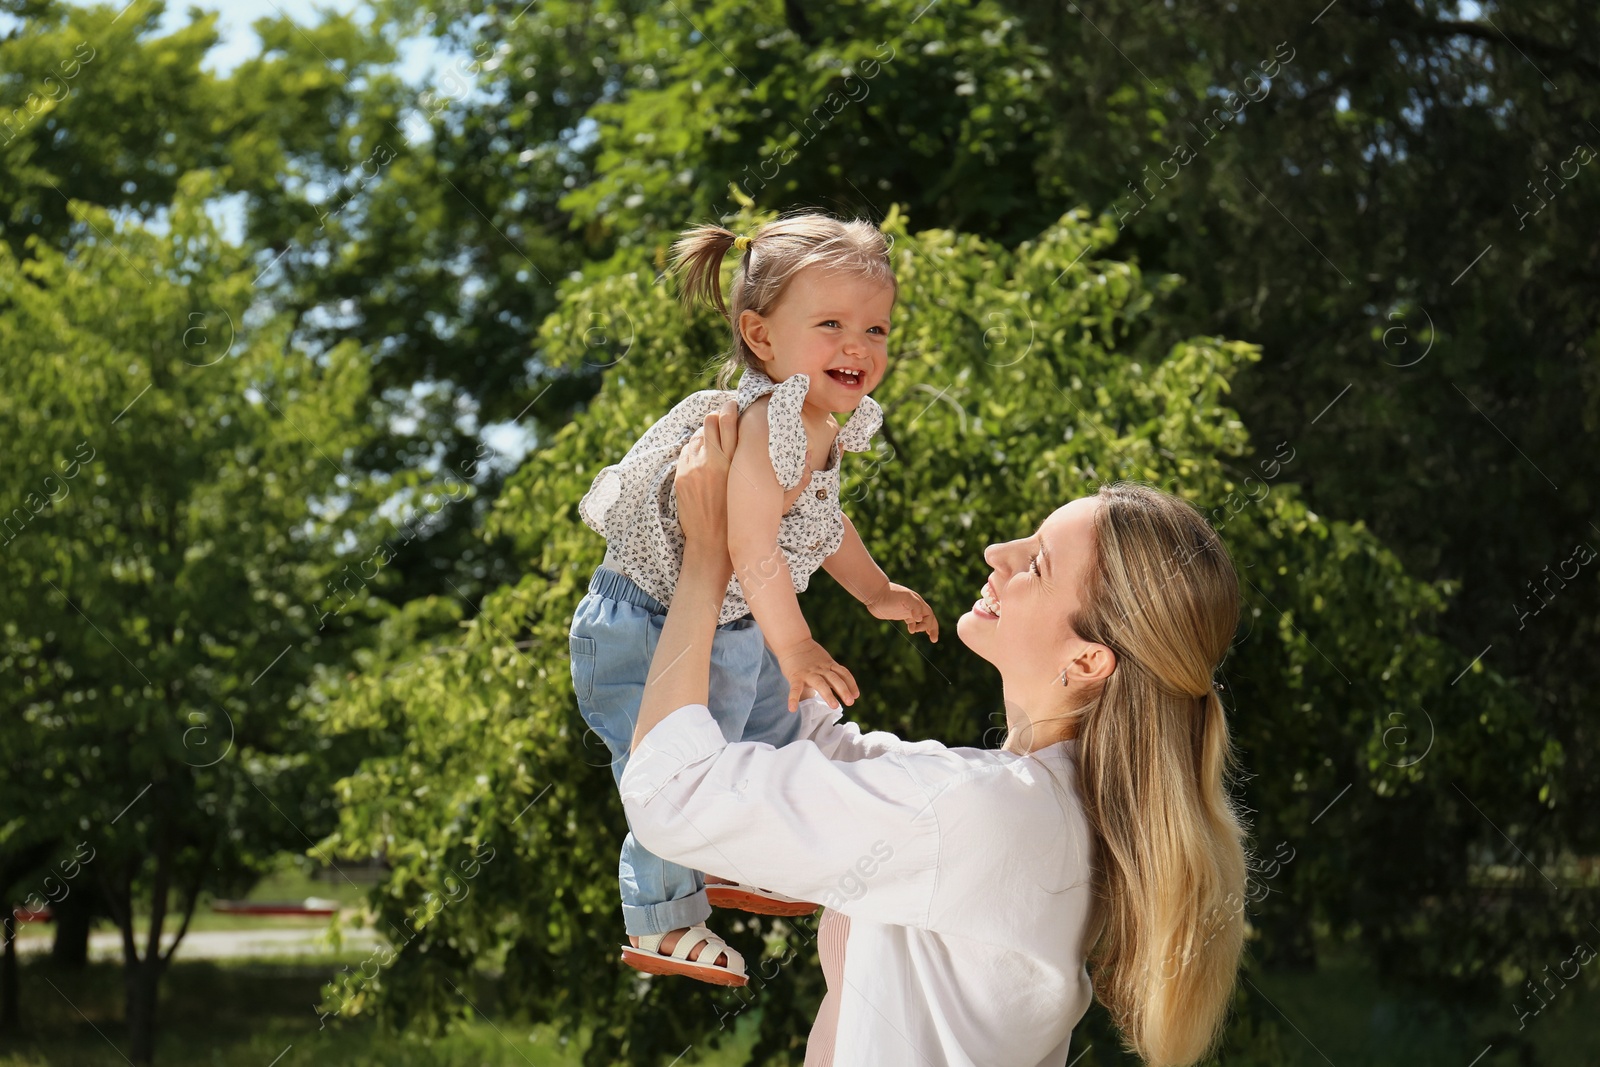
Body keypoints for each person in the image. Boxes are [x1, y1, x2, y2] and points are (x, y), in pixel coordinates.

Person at [621, 403, 1252, 1067]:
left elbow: (669, 795)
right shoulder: (1044, 809)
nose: (997, 554)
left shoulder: (988, 812)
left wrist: (704, 561)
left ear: (1088, 661)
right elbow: (825, 756)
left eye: (1035, 563)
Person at [570, 212, 938, 984]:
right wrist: (798, 643)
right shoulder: (772, 419)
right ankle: (661, 920)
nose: (858, 345)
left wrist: (877, 590)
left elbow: (822, 521)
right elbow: (750, 543)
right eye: (831, 323)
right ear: (761, 336)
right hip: (646, 626)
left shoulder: (813, 424)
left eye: (876, 327)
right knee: (676, 767)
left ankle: (748, 859)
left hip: (726, 620)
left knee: (769, 737)